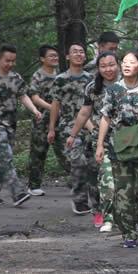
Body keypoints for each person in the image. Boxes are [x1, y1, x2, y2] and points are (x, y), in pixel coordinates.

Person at [95, 51, 138, 248]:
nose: (127, 65)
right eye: (124, 62)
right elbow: (105, 117)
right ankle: (128, 233)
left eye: (132, 62)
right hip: (118, 148)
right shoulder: (113, 90)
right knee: (122, 192)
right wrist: (100, 144)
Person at [0, 43, 39, 207]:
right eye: (7, 60)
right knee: (6, 155)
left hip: (11, 123)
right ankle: (18, 193)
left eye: (13, 61)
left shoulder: (16, 77)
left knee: (1, 158)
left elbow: (23, 96)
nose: (10, 64)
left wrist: (34, 110)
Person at [67, 51, 119, 232]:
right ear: (98, 68)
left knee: (119, 179)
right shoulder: (92, 88)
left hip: (124, 140)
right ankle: (99, 212)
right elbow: (84, 113)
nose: (108, 69)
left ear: (118, 65)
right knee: (98, 179)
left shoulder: (126, 84)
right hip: (98, 140)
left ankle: (119, 215)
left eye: (111, 65)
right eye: (103, 66)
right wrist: (73, 134)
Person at [48, 42, 96, 215]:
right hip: (68, 127)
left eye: (81, 52)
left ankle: (97, 203)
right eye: (74, 52)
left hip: (89, 127)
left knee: (92, 164)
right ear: (67, 57)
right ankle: (80, 200)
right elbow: (55, 104)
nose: (79, 54)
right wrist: (51, 128)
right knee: (78, 161)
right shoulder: (60, 79)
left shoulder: (90, 79)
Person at [27, 45, 70, 196]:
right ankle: (33, 186)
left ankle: (77, 182)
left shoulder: (59, 76)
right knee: (38, 153)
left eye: (56, 56)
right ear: (42, 59)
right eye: (51, 56)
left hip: (59, 121)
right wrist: (52, 108)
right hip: (41, 121)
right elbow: (34, 97)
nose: (55, 58)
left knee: (66, 151)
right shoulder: (38, 75)